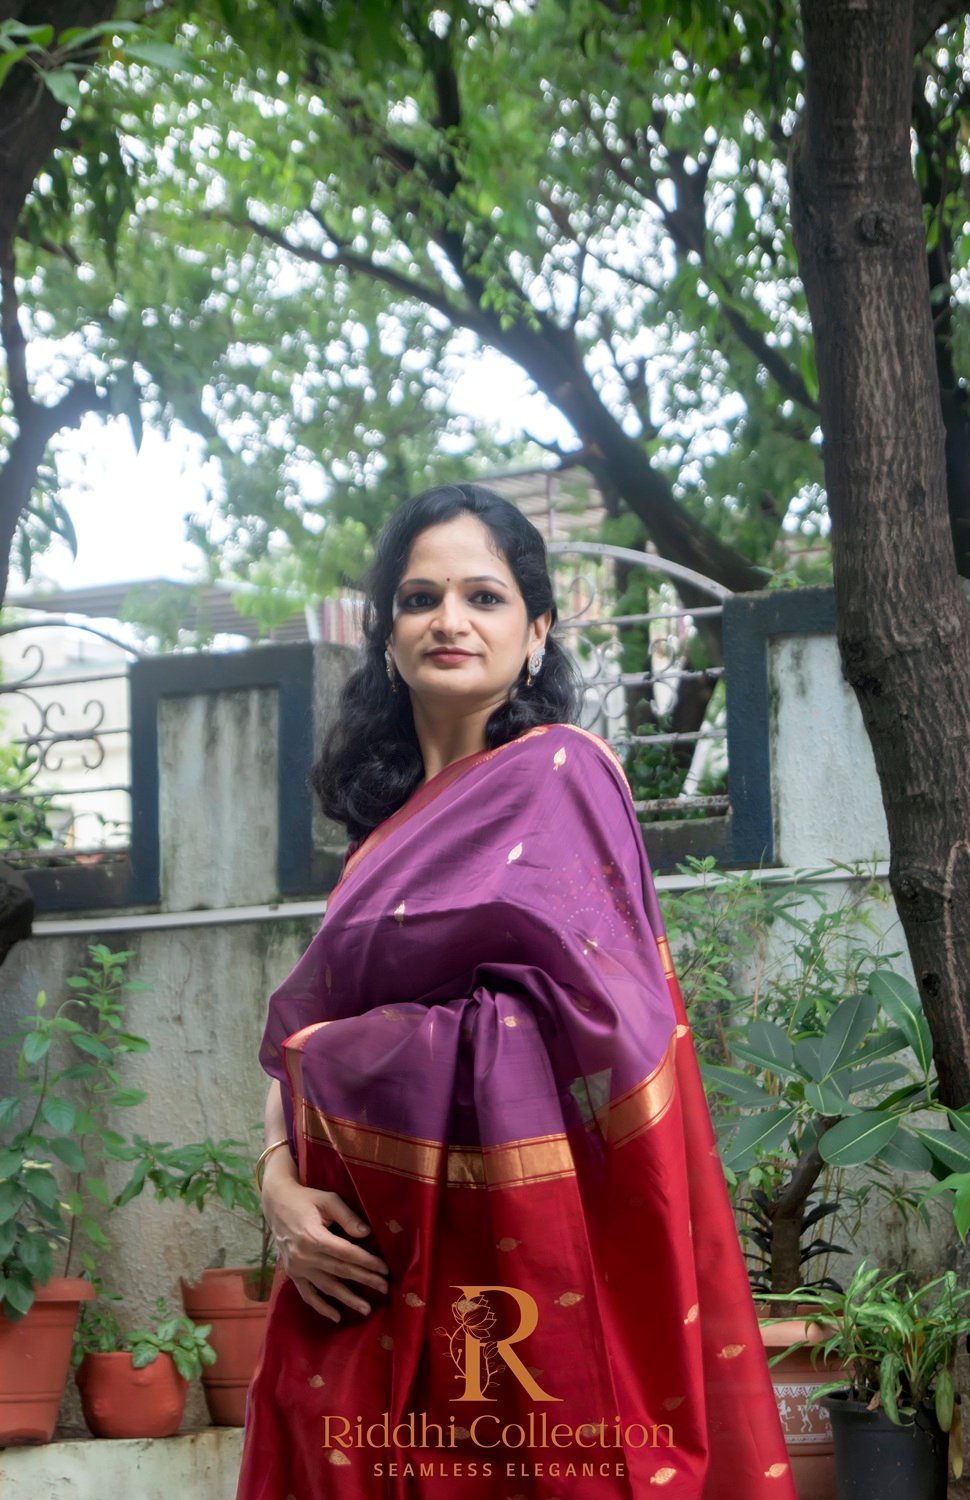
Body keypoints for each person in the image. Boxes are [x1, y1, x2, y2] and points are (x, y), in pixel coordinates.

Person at [237, 484, 794, 1499]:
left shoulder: (561, 777)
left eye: (483, 597)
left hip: (518, 1266)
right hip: (354, 1262)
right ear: (387, 634)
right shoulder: (376, 842)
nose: (448, 620)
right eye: (419, 598)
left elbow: (604, 1026)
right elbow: (304, 1044)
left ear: (536, 631)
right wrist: (277, 1180)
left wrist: (347, 1057)